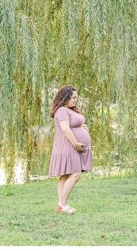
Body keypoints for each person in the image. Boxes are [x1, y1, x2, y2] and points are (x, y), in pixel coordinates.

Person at [48, 85, 92, 214]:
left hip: (71, 146)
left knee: (65, 176)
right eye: (73, 97)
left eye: (76, 97)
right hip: (67, 146)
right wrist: (76, 144)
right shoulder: (62, 110)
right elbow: (65, 129)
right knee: (75, 174)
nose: (75, 100)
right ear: (65, 98)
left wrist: (81, 126)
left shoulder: (70, 110)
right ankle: (63, 204)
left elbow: (72, 124)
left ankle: (61, 206)